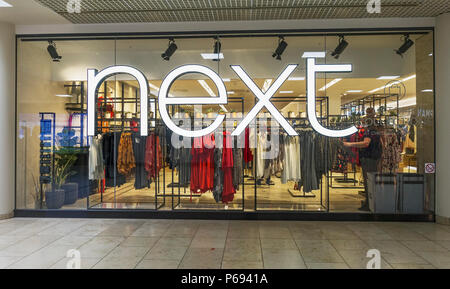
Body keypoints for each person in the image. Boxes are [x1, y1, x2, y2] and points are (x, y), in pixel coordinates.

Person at [343, 107, 382, 211]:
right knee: (371, 181)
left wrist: (349, 144)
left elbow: (366, 143)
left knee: (368, 181)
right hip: (374, 157)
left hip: (369, 158)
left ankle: (369, 204)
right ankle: (370, 203)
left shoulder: (370, 131)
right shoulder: (376, 129)